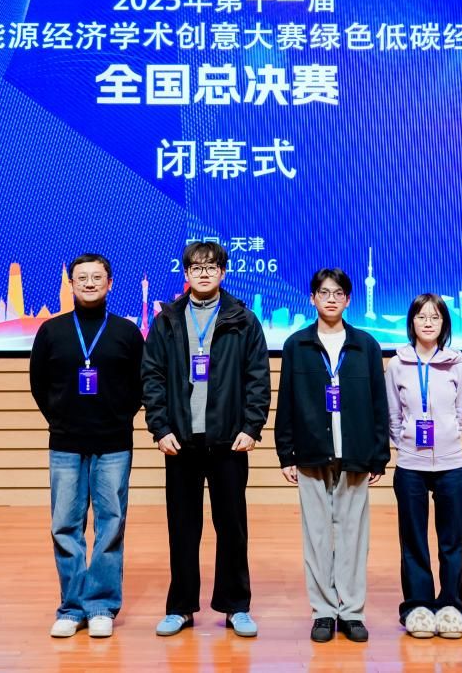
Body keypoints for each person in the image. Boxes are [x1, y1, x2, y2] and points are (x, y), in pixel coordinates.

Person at [141, 241, 271, 638]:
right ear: (185, 274)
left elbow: (258, 378)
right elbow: (152, 377)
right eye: (196, 267)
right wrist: (160, 428)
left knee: (232, 527)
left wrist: (251, 427)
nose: (203, 273)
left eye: (211, 266)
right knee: (182, 528)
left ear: (223, 273)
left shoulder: (243, 320)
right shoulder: (167, 320)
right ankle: (180, 607)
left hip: (228, 440)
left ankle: (236, 607)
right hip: (180, 441)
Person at [29, 253, 145, 639]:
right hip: (65, 442)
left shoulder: (127, 332)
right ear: (71, 284)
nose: (90, 283)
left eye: (97, 277)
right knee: (65, 525)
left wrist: (119, 417)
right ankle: (72, 606)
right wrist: (61, 418)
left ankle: (101, 606)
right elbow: (39, 384)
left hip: (114, 443)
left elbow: (141, 384)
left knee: (110, 524)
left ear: (110, 283)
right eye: (82, 278)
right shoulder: (51, 330)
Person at [275, 268, 389, 643]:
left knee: (354, 537)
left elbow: (379, 403)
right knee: (318, 537)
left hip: (355, 452)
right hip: (311, 453)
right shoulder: (296, 345)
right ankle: (323, 612)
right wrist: (286, 453)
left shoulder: (366, 345)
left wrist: (379, 455)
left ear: (348, 300)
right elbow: (286, 401)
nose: (331, 299)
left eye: (338, 293)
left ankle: (351, 612)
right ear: (312, 298)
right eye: (323, 293)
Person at [385, 293, 462, 639]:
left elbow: (460, 415)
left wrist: (447, 439)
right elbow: (393, 416)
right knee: (413, 540)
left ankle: (451, 606)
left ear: (444, 323)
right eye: (421, 316)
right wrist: (407, 442)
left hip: (451, 464)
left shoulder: (457, 364)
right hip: (410, 465)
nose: (428, 322)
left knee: (451, 541)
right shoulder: (397, 364)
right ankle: (418, 606)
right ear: (412, 322)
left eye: (435, 317)